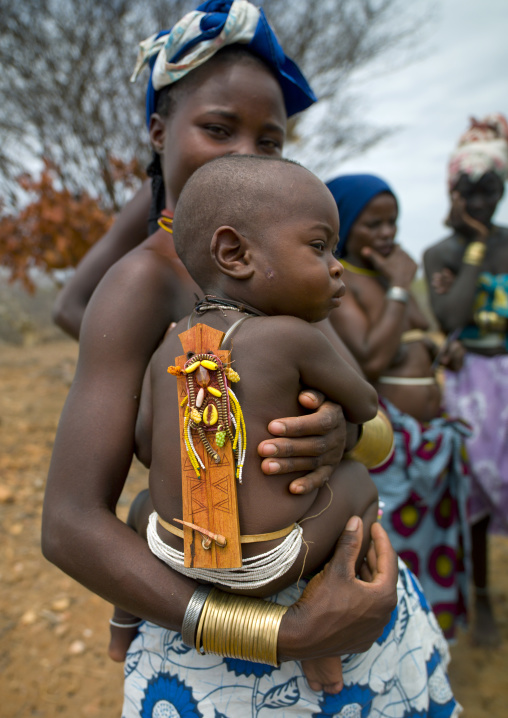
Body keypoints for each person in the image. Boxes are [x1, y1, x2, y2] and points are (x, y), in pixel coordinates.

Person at [41, 3, 404, 716]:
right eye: (218, 127)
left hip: (349, 613)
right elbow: (69, 523)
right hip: (226, 655)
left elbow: (372, 426)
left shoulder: (285, 279)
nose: (247, 151)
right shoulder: (142, 283)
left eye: (271, 141)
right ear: (158, 133)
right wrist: (285, 631)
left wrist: (339, 434)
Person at [127, 154, 460, 715]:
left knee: (140, 504)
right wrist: (334, 412)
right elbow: (365, 405)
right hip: (266, 566)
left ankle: (121, 619)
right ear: (235, 254)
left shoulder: (169, 347)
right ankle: (325, 634)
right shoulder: (291, 337)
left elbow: (141, 444)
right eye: (319, 247)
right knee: (356, 484)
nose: (337, 267)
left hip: (177, 554)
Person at [325, 173, 471, 642]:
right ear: (346, 226)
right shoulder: (342, 282)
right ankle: (395, 636)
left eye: (393, 222)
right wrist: (402, 285)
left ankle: (431, 634)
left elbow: (422, 333)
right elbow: (370, 356)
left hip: (429, 437)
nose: (387, 233)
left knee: (433, 543)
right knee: (393, 545)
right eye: (373, 224)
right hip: (388, 441)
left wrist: (440, 352)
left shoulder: (388, 277)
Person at [424, 113, 508, 647]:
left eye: (491, 189)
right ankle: (480, 596)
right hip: (469, 385)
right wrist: (475, 246)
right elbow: (452, 315)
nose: (480, 201)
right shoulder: (442, 254)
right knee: (474, 494)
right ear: (453, 192)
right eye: (468, 190)